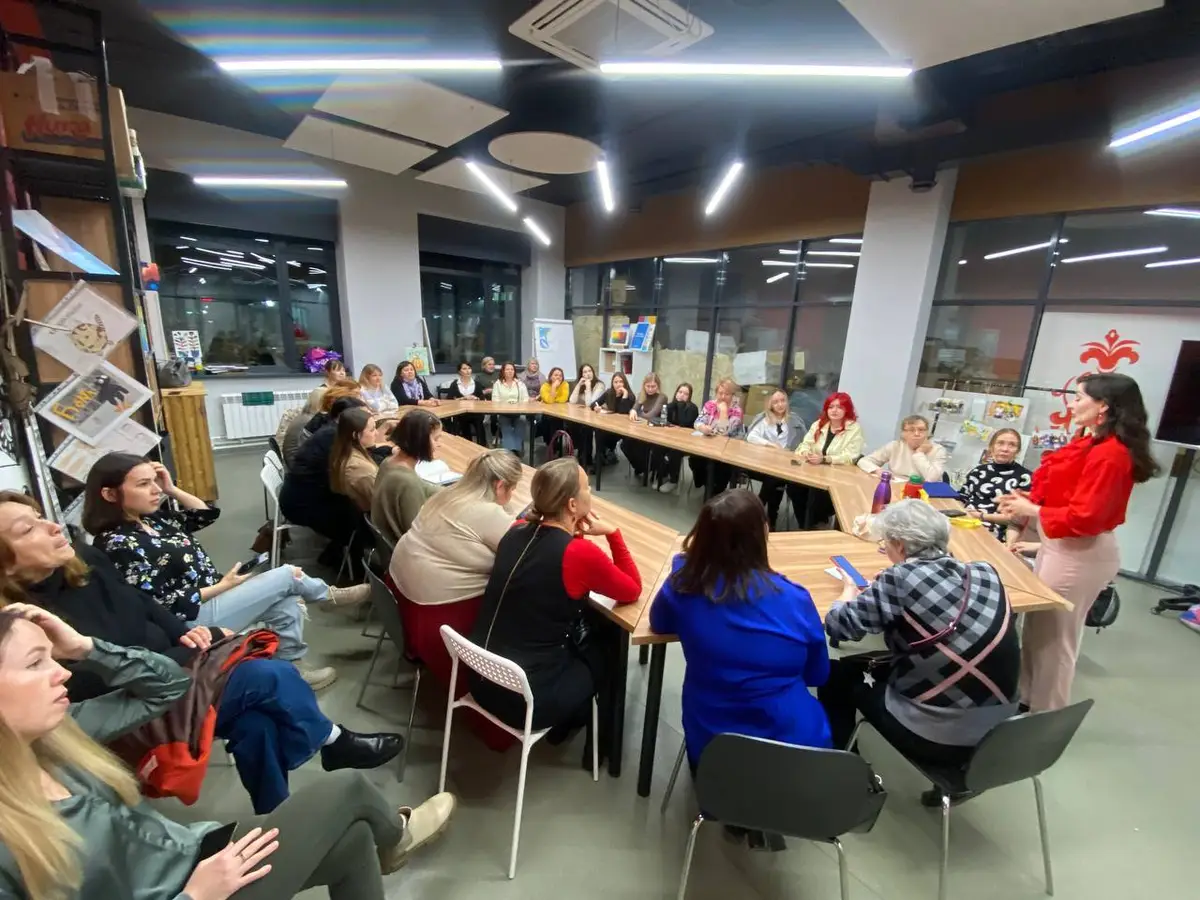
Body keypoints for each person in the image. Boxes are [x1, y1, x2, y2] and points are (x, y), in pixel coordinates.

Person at [0, 603, 455, 900]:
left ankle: (376, 824)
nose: (62, 672)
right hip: (189, 889)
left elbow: (170, 687)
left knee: (353, 840)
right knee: (347, 788)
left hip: (188, 853)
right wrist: (194, 896)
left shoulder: (61, 732)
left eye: (53, 657)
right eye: (36, 663)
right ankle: (396, 836)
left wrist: (85, 647)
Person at [0, 493, 405, 815]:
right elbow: (97, 685)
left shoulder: (82, 559)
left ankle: (277, 814)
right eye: (28, 529)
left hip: (172, 668)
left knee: (256, 722)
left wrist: (188, 633)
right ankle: (332, 741)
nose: (53, 526)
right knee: (270, 677)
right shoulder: (23, 625)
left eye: (41, 516)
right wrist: (181, 652)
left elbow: (141, 602)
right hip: (137, 705)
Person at [83, 454, 366, 691]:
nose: (155, 489)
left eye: (154, 481)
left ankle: (293, 665)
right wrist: (223, 587)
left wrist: (171, 489)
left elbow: (204, 514)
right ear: (110, 494)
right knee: (286, 575)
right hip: (191, 621)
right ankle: (327, 597)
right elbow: (160, 604)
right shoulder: (118, 543)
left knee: (286, 599)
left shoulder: (151, 519)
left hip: (212, 597)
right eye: (144, 484)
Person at [819, 500, 1020, 805]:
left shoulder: (898, 579)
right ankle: (951, 781)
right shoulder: (985, 572)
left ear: (899, 545)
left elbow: (840, 626)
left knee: (834, 675)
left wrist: (848, 593)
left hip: (937, 737)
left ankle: (847, 776)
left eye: (885, 544)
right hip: (1000, 731)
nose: (884, 549)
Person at [998, 373, 1158, 712]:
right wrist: (1028, 500)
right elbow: (1067, 494)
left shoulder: (1111, 454)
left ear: (1103, 406)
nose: (1072, 404)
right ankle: (1027, 701)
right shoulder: (1091, 443)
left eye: (1080, 397)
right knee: (1037, 634)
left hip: (1078, 555)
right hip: (1059, 548)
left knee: (1055, 643)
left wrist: (1033, 510)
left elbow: (1086, 517)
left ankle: (1045, 715)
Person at [649, 490, 831, 770]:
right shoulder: (796, 600)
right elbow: (817, 675)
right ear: (763, 534)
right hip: (797, 755)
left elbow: (659, 622)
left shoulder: (684, 585)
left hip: (714, 752)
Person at [469, 457, 641, 746]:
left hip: (480, 679)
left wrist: (572, 532)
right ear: (572, 505)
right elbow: (632, 589)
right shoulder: (578, 553)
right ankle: (592, 737)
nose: (591, 492)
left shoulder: (515, 530)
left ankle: (570, 719)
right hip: (527, 701)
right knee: (609, 647)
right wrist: (614, 535)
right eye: (587, 487)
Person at [391, 450, 523, 683]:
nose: (512, 495)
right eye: (512, 489)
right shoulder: (487, 512)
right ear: (500, 485)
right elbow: (525, 550)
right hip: (441, 619)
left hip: (402, 598)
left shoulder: (447, 495)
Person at [280, 396, 371, 571]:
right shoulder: (332, 438)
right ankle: (355, 567)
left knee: (355, 506)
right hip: (303, 504)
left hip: (304, 494)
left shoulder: (331, 431)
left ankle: (335, 555)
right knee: (359, 516)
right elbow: (349, 470)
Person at [787, 391, 865, 527]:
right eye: (831, 407)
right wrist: (806, 453)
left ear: (847, 410)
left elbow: (851, 456)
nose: (834, 410)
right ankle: (806, 525)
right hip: (813, 472)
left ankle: (815, 524)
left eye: (839, 407)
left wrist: (825, 459)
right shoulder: (819, 424)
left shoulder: (854, 429)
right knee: (793, 487)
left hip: (837, 477)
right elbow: (804, 445)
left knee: (817, 496)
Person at [371, 409, 443, 546]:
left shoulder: (389, 462)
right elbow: (417, 534)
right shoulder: (407, 482)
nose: (439, 444)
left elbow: (423, 486)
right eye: (435, 439)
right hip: (407, 550)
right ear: (420, 440)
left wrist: (455, 491)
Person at [746, 389, 805, 530]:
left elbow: (804, 442)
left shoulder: (795, 421)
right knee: (774, 478)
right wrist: (770, 444)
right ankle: (771, 517)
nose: (780, 404)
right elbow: (751, 437)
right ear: (770, 404)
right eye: (776, 402)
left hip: (786, 468)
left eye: (783, 401)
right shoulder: (764, 419)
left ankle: (759, 507)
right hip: (762, 465)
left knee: (775, 478)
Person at [960, 428, 1032, 541]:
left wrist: (981, 516)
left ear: (1018, 451)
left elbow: (1017, 519)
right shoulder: (978, 470)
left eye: (1012, 445)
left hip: (994, 530)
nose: (1005, 449)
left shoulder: (1025, 477)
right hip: (964, 520)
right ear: (991, 447)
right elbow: (962, 497)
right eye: (1000, 443)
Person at [283, 378, 360, 470]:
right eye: (357, 395)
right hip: (307, 470)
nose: (360, 399)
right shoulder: (327, 427)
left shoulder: (320, 419)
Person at [688, 378, 744, 495]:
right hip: (708, 446)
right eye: (720, 393)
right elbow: (697, 422)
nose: (723, 397)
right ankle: (705, 484)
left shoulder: (737, 411)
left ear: (732, 395)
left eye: (727, 394)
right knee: (694, 459)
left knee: (719, 469)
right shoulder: (710, 405)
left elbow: (723, 433)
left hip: (728, 451)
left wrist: (723, 412)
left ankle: (714, 491)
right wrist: (702, 427)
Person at [858, 414, 948, 482]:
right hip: (896, 488)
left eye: (921, 430)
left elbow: (932, 479)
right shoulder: (895, 446)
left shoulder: (938, 450)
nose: (917, 433)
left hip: (924, 493)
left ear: (927, 433)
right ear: (903, 434)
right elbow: (863, 461)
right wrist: (878, 470)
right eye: (911, 430)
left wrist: (919, 453)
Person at [330, 408, 381, 513]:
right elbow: (382, 504)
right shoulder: (361, 469)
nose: (377, 433)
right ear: (355, 435)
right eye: (372, 430)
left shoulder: (341, 451)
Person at [621, 371, 668, 481]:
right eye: (648, 386)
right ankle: (642, 467)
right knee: (625, 444)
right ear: (644, 385)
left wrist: (637, 413)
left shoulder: (662, 397)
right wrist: (633, 411)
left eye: (653, 386)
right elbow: (634, 409)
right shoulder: (641, 395)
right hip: (642, 430)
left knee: (643, 446)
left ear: (658, 386)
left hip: (656, 432)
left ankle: (650, 467)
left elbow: (650, 415)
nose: (650, 389)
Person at [656, 383, 699, 493]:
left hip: (685, 442)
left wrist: (680, 405)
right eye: (680, 392)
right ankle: (662, 475)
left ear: (689, 396)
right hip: (669, 438)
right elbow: (662, 419)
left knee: (674, 450)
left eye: (686, 394)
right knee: (658, 446)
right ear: (676, 393)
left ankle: (673, 480)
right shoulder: (671, 405)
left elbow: (684, 423)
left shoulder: (692, 408)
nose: (682, 395)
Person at [567, 363, 606, 469]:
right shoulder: (581, 384)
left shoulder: (599, 385)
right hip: (584, 416)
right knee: (572, 424)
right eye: (585, 372)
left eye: (589, 371)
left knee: (586, 428)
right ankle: (582, 454)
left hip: (597, 417)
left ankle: (586, 457)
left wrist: (588, 387)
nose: (588, 374)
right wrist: (579, 385)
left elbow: (590, 404)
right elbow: (572, 401)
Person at [446, 359, 488, 445]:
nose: (468, 371)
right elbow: (449, 400)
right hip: (461, 413)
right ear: (459, 371)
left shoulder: (477, 384)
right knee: (463, 428)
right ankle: (467, 447)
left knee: (480, 427)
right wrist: (464, 398)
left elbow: (482, 400)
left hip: (476, 413)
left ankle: (482, 447)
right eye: (464, 368)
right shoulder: (454, 384)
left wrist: (476, 398)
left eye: (469, 368)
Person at [491, 361, 529, 453]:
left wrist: (518, 406)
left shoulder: (520, 384)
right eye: (507, 369)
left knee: (521, 423)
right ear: (503, 371)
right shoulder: (498, 384)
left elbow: (525, 399)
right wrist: (505, 406)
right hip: (504, 413)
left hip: (518, 412)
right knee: (506, 426)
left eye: (512, 369)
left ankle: (514, 451)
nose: (510, 371)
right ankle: (512, 451)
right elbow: (495, 400)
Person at [538, 366, 570, 446]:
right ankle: (551, 443)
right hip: (548, 413)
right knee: (549, 420)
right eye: (556, 375)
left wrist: (553, 399)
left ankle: (553, 444)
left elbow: (563, 399)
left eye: (560, 375)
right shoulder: (545, 386)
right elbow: (549, 401)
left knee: (556, 420)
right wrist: (553, 387)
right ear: (550, 376)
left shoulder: (565, 384)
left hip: (561, 412)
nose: (558, 377)